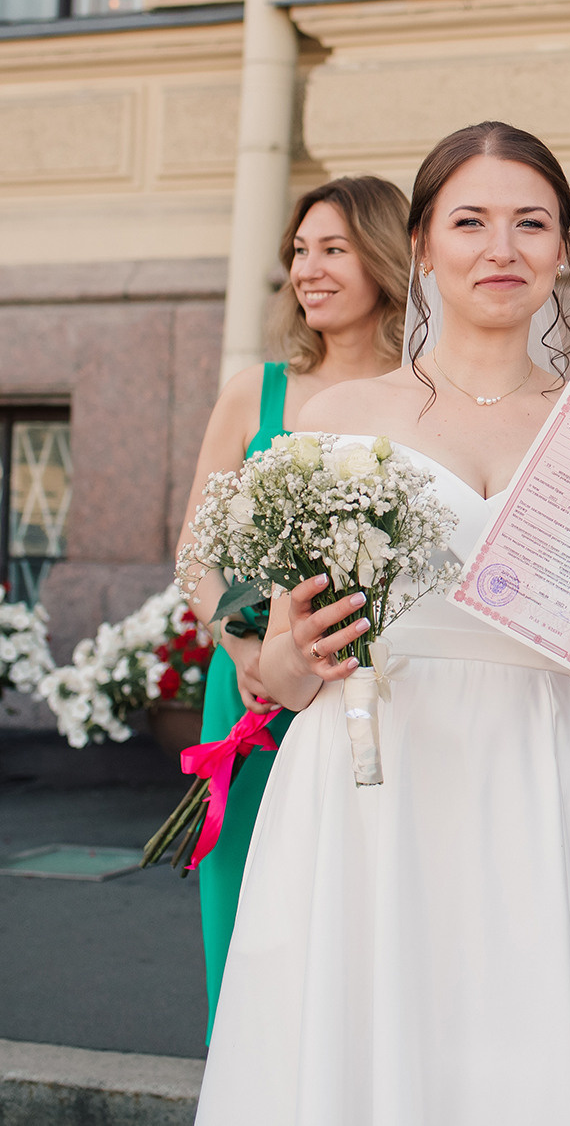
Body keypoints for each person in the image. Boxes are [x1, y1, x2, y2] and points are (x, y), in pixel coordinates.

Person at [194, 122, 570, 1125]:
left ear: (563, 246)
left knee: (528, 1057)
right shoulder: (339, 415)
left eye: (531, 222)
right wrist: (286, 653)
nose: (501, 248)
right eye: (469, 221)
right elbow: (286, 676)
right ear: (424, 245)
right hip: (370, 781)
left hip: (540, 771)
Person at [175, 175, 409, 1033]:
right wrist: (242, 653)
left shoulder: (424, 395)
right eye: (299, 252)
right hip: (250, 693)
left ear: (384, 261)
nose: (308, 269)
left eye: (332, 249)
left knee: (360, 917)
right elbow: (195, 552)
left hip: (378, 696)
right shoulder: (255, 391)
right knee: (246, 920)